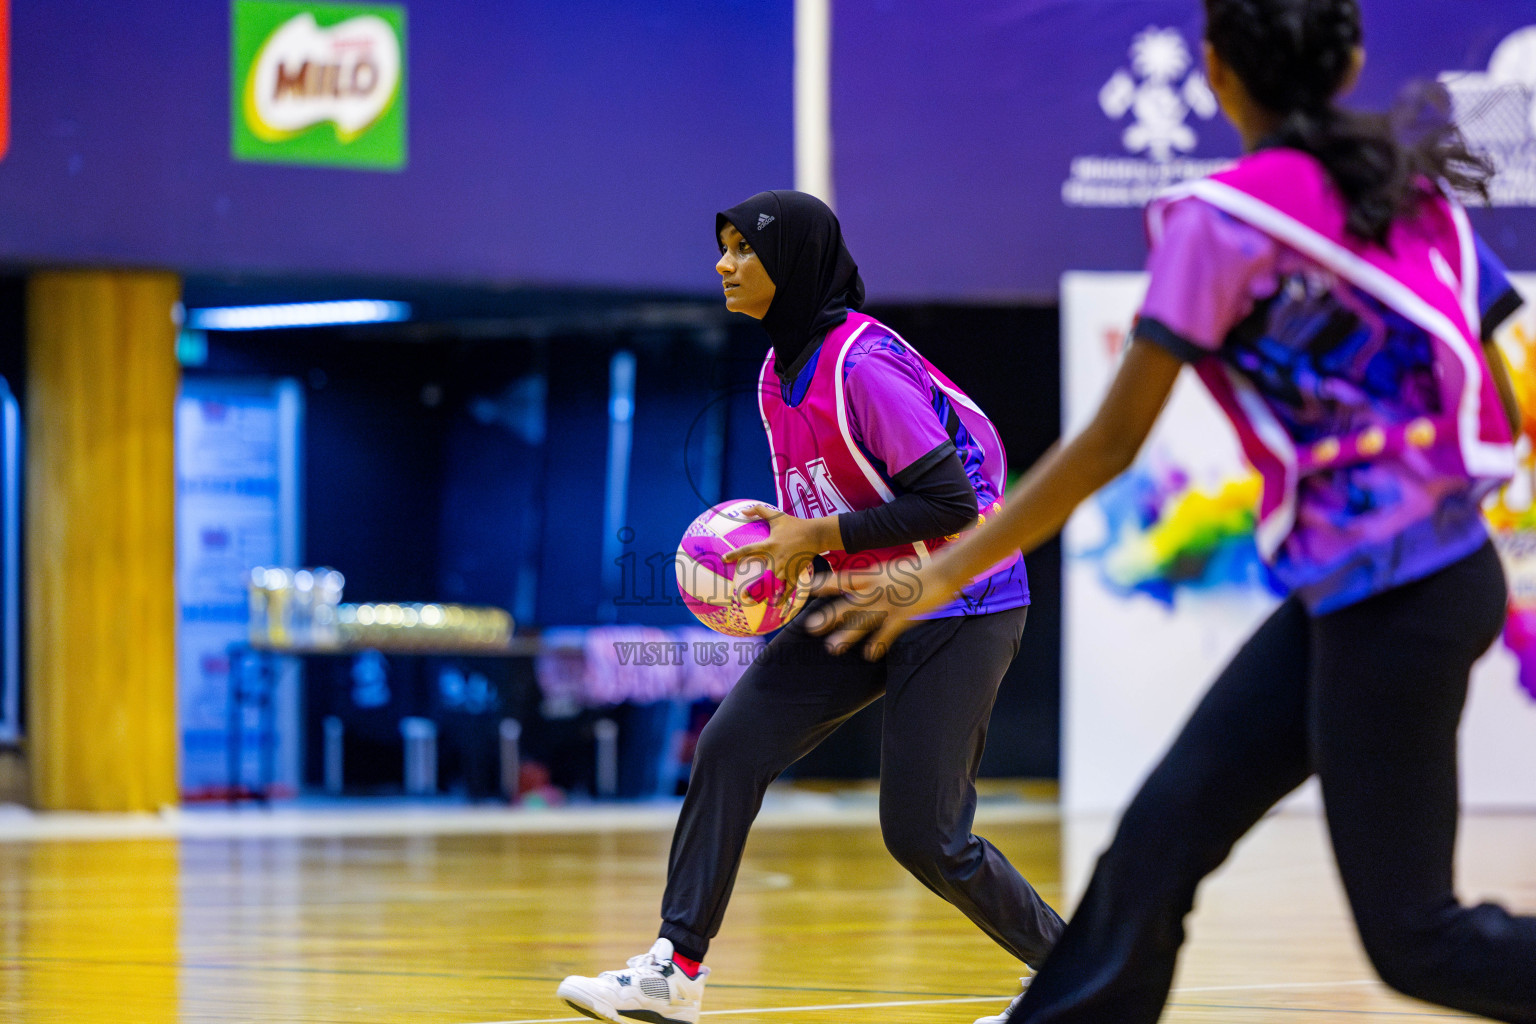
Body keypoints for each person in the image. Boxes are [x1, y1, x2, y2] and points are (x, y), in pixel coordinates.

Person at [817, 1, 1536, 1021]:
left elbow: (1109, 444)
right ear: (1352, 60)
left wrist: (944, 567)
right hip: (1404, 581)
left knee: (1418, 940)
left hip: (1397, 602)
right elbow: (1510, 371)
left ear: (1214, 72)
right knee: (1161, 840)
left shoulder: (1224, 219)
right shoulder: (1401, 188)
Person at [555, 190, 1063, 1024]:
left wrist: (814, 533)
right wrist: (783, 543)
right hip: (867, 592)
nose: (723, 264)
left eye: (741, 251)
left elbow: (952, 505)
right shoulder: (773, 375)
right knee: (729, 745)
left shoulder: (859, 364)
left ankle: (1077, 977)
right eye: (720, 249)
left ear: (791, 263)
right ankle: (672, 971)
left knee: (925, 835)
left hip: (961, 598)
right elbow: (833, 509)